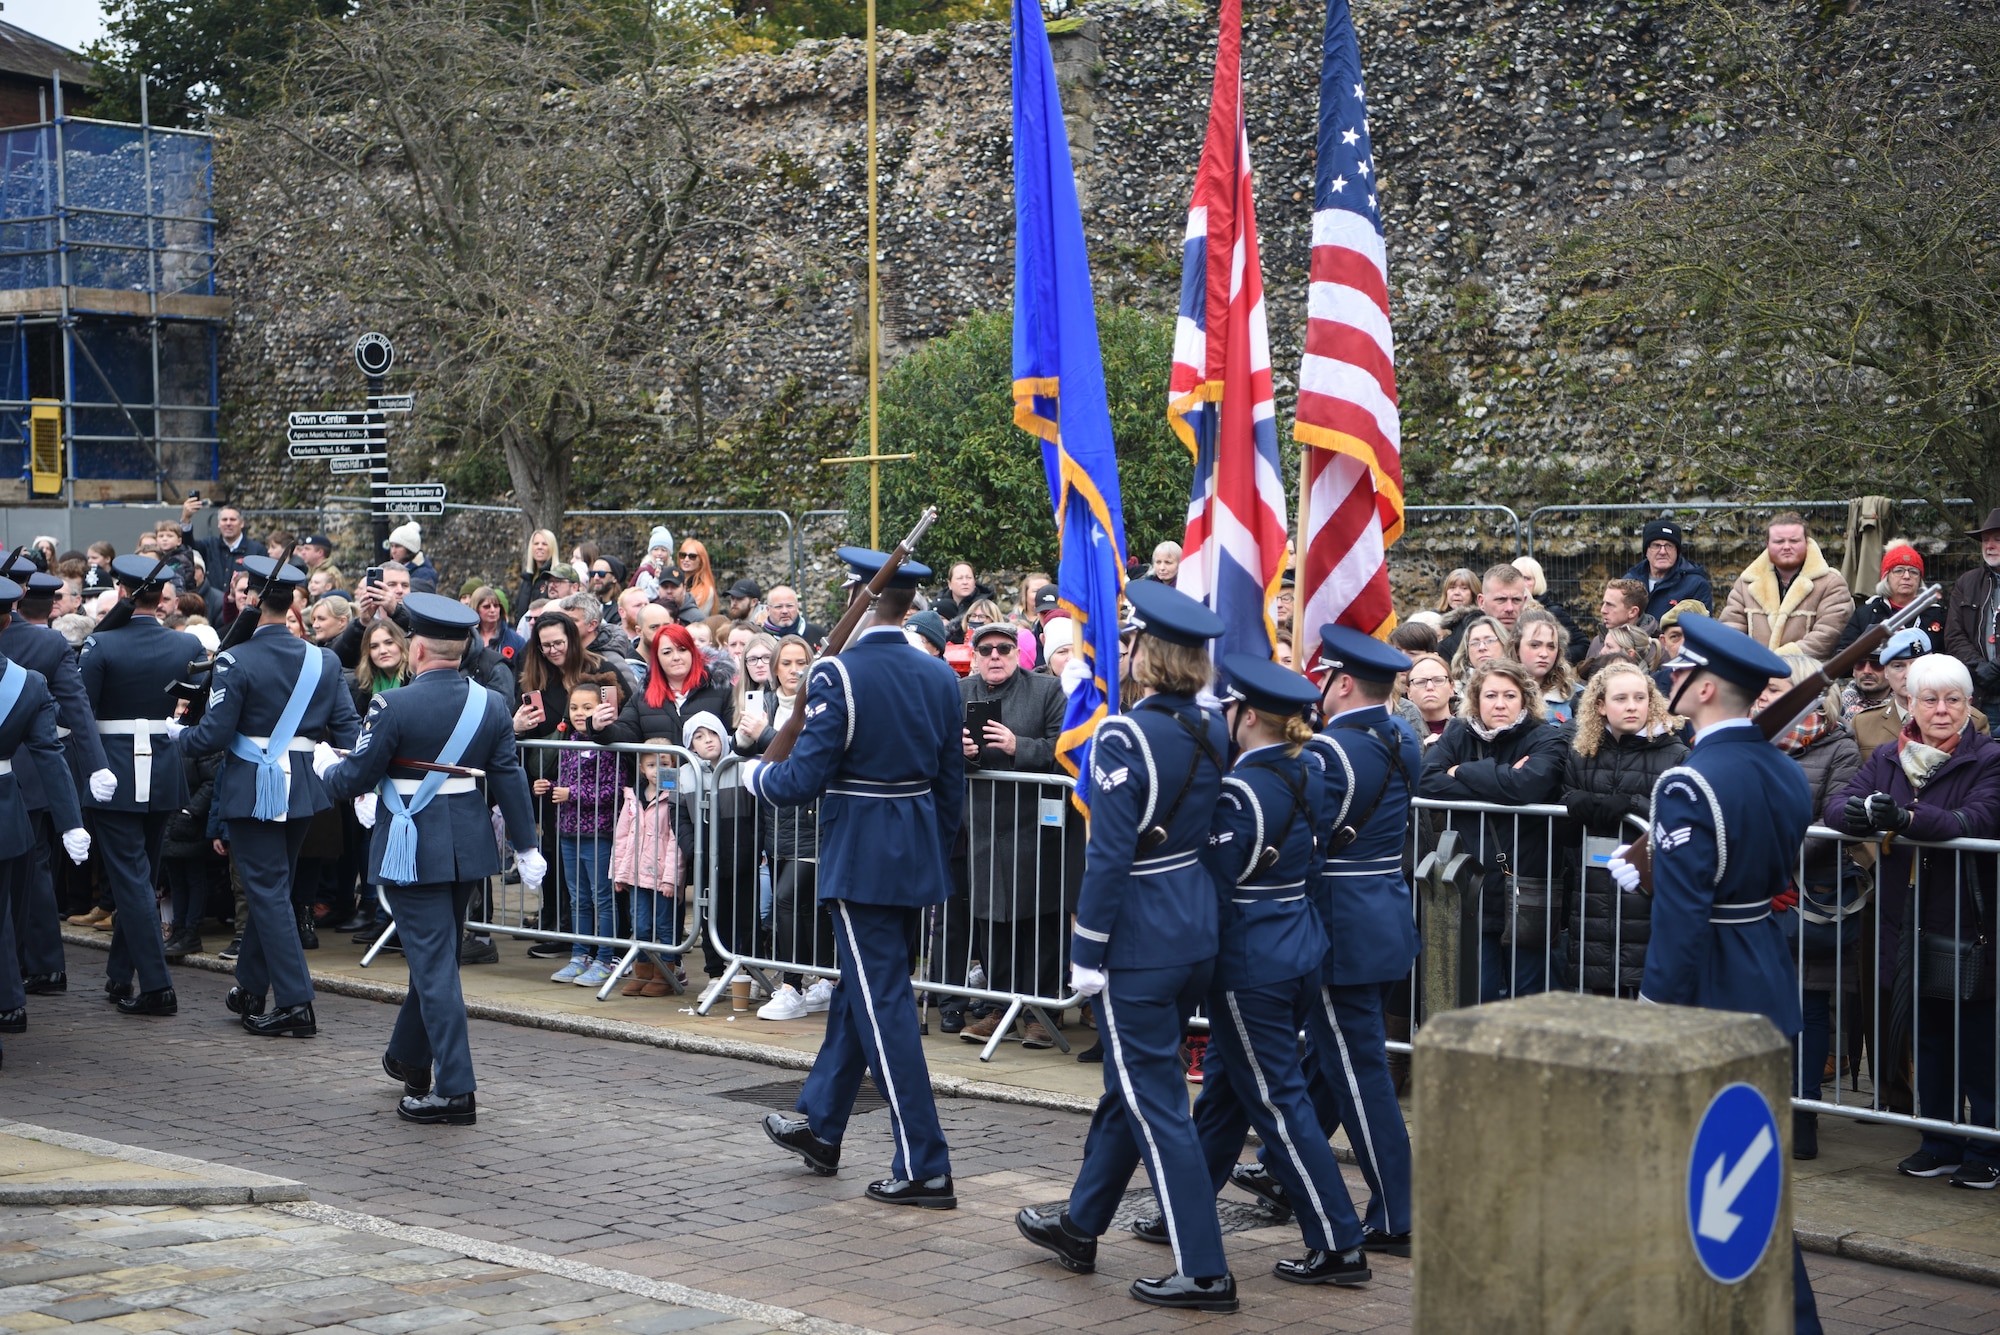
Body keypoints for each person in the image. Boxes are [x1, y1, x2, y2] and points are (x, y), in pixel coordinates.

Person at [1013, 580, 1235, 1311]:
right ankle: (1081, 1222)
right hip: (1193, 928)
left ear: (1147, 654)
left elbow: (1108, 855)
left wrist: (1086, 948)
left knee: (1157, 1103)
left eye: (1134, 643)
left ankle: (1203, 1266)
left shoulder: (1124, 734)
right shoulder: (1214, 729)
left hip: (1140, 936)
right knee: (1131, 1085)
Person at [1123, 654, 1372, 1288]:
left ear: (1249, 714)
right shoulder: (1307, 772)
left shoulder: (1243, 791)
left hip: (1253, 957)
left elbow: (1216, 879)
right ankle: (1194, 1211)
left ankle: (1339, 1239)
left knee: (1278, 1104)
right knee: (1246, 1093)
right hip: (1297, 945)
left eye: (1231, 709)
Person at [1609, 612, 1824, 1332]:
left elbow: (1684, 917)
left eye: (1679, 672)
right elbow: (1748, 876)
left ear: (1703, 689)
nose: (1671, 678)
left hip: (1709, 989)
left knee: (1716, 1173)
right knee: (1742, 1169)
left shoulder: (1688, 783)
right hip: (1764, 968)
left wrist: (1651, 1010)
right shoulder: (1783, 768)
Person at [751, 547, 965, 1213]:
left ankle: (925, 1163)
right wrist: (939, 853)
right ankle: (822, 1123)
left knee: (884, 1008)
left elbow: (802, 777)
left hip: (861, 855)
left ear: (858, 596)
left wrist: (755, 774)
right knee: (861, 993)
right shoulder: (938, 675)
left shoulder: (838, 674)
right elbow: (951, 786)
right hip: (915, 850)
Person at [316, 593, 542, 1126]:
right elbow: (507, 775)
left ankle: (456, 1089)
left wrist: (326, 766)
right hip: (466, 846)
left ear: (416, 650)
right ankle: (409, 1057)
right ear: (463, 650)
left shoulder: (393, 705)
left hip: (412, 845)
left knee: (435, 966)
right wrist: (528, 845)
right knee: (433, 958)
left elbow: (356, 777)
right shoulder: (489, 703)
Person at [1830, 653, 2000, 1189]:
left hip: (1967, 917)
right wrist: (1853, 817)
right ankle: (1938, 1139)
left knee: (1977, 1039)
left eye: (1954, 700)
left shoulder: (1989, 758)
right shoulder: (1887, 756)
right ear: (1912, 704)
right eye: (1931, 699)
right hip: (1906, 918)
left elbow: (1974, 818)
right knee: (1925, 1035)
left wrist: (1907, 819)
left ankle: (1987, 1145)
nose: (1942, 710)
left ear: (1969, 705)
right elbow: (1840, 803)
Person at [175, 555, 361, 1038]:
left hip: (254, 787)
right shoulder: (325, 660)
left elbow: (213, 736)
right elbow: (347, 730)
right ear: (296, 600)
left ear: (251, 600)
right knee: (273, 889)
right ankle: (251, 987)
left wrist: (176, 736)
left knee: (267, 892)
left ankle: (296, 1001)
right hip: (301, 786)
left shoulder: (236, 658)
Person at [77, 557, 203, 1017]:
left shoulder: (101, 645)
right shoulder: (185, 642)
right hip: (164, 764)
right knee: (141, 876)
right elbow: (196, 705)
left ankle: (156, 986)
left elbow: (78, 710)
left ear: (123, 591)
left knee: (130, 879)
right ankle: (119, 972)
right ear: (161, 597)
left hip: (115, 769)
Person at [1755, 653, 1862, 1161]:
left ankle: (1803, 1118)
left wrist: (1769, 863)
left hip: (1809, 897)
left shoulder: (1840, 748)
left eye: (1775, 691)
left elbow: (1830, 822)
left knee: (1809, 1008)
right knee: (1756, 1011)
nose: (1763, 699)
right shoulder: (1751, 744)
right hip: (1752, 895)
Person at [1420, 659, 1570, 1001]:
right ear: (1475, 698)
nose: (1499, 704)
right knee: (1478, 991)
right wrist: (1501, 776)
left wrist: (1461, 771)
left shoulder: (1546, 737)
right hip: (1472, 886)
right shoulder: (1459, 732)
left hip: (1526, 884)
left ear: (1525, 700)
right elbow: (1426, 781)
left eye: (1509, 695)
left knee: (1529, 993)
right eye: (1490, 695)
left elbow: (1527, 787)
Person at [0, 562, 111, 999]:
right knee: (35, 874)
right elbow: (76, 709)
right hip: (38, 773)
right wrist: (96, 762)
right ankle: (44, 965)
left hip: (17, 771)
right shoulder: (48, 643)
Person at [956, 619, 1067, 1046]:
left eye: (1003, 648)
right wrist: (960, 753)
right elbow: (937, 749)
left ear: (1017, 651)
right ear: (976, 655)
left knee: (1037, 915)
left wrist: (1017, 746)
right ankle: (998, 1006)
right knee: (990, 917)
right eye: (986, 650)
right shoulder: (961, 692)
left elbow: (1064, 750)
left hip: (1033, 824)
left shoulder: (1045, 690)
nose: (995, 656)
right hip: (981, 824)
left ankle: (1039, 1012)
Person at [1561, 661, 1686, 997]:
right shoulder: (1582, 754)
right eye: (1620, 698)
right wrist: (1575, 804)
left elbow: (1682, 818)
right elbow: (1565, 811)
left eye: (1640, 697)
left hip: (1647, 892)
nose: (1632, 706)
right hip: (1591, 894)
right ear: (1600, 705)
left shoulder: (1675, 754)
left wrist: (1633, 804)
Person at [538, 675, 625, 990]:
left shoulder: (609, 745)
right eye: (574, 707)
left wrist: (571, 793)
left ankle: (604, 958)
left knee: (602, 898)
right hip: (567, 832)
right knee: (577, 898)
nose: (578, 713)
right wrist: (547, 788)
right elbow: (562, 783)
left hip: (598, 832)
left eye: (586, 707)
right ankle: (579, 954)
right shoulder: (570, 743)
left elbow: (612, 789)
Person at [1719, 512, 1854, 657]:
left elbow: (1828, 634)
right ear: (1767, 545)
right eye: (1779, 541)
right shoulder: (1745, 584)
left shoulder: (1831, 583)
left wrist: (1780, 661)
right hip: (1753, 672)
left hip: (1807, 673)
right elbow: (1731, 629)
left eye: (1794, 541)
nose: (1787, 547)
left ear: (1806, 543)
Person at [611, 739, 686, 997]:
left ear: (673, 765)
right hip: (635, 874)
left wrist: (672, 879)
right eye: (651, 764)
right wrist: (619, 872)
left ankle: (664, 975)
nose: (656, 770)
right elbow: (622, 836)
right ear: (642, 768)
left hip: (662, 876)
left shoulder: (674, 797)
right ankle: (642, 972)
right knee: (640, 926)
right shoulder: (632, 797)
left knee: (665, 927)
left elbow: (676, 839)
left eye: (663, 763)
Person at [1850, 629, 1991, 755]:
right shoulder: (1863, 724)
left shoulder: (1971, 720)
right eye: (1898, 666)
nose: (1909, 674)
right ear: (1886, 672)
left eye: (1917, 665)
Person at [1836, 540, 1945, 657]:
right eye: (1899, 570)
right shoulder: (1865, 614)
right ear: (1886, 577)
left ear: (1920, 580)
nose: (1907, 576)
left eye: (1913, 572)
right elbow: (1842, 656)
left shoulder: (1937, 614)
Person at [1944, 508, 2000, 715]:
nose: (1990, 546)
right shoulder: (1967, 582)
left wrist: (1997, 667)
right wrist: (1980, 668)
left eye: (1997, 539)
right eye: (1985, 540)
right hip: (1979, 697)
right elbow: (1954, 634)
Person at [1622, 517, 1714, 620]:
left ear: (1677, 551)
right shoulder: (1629, 582)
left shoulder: (1696, 585)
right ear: (1646, 550)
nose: (1662, 552)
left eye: (1669, 546)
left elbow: (1702, 627)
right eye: (1656, 545)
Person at [1438, 564, 1530, 661]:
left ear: (1524, 601)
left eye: (1516, 600)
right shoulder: (1452, 647)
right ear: (1482, 602)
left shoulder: (1538, 641)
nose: (1509, 608)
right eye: (1501, 599)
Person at [1512, 607, 1579, 724]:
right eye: (1535, 645)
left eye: (1551, 646)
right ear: (1516, 647)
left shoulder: (1576, 694)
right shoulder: (1498, 693)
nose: (1544, 654)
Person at [178, 497, 253, 584]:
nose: (228, 523)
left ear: (242, 523)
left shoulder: (256, 550)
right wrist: (185, 519)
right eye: (224, 520)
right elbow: (188, 548)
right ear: (218, 523)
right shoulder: (209, 545)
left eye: (232, 520)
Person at [1585, 579, 1652, 659]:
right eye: (1604, 603)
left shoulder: (1653, 648)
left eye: (1610, 605)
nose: (1603, 610)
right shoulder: (1597, 642)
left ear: (1633, 612)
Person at [1403, 651, 1456, 743]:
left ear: (1451, 688)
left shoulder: (1473, 728)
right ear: (1409, 692)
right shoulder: (1398, 734)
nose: (1430, 687)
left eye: (1438, 680)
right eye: (1420, 682)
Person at [1446, 614, 1506, 684]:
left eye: (1489, 640)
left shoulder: (1520, 681)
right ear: (1466, 652)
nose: (1482, 647)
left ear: (1503, 643)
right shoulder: (1454, 690)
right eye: (1475, 643)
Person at [382, 523, 439, 595]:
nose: (393, 551)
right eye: (392, 546)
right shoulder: (396, 568)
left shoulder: (425, 574)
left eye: (397, 546)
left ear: (410, 549)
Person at [677, 540, 717, 617]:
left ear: (701, 561)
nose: (686, 559)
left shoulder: (705, 590)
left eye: (692, 556)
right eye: (683, 555)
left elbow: (696, 617)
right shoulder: (675, 581)